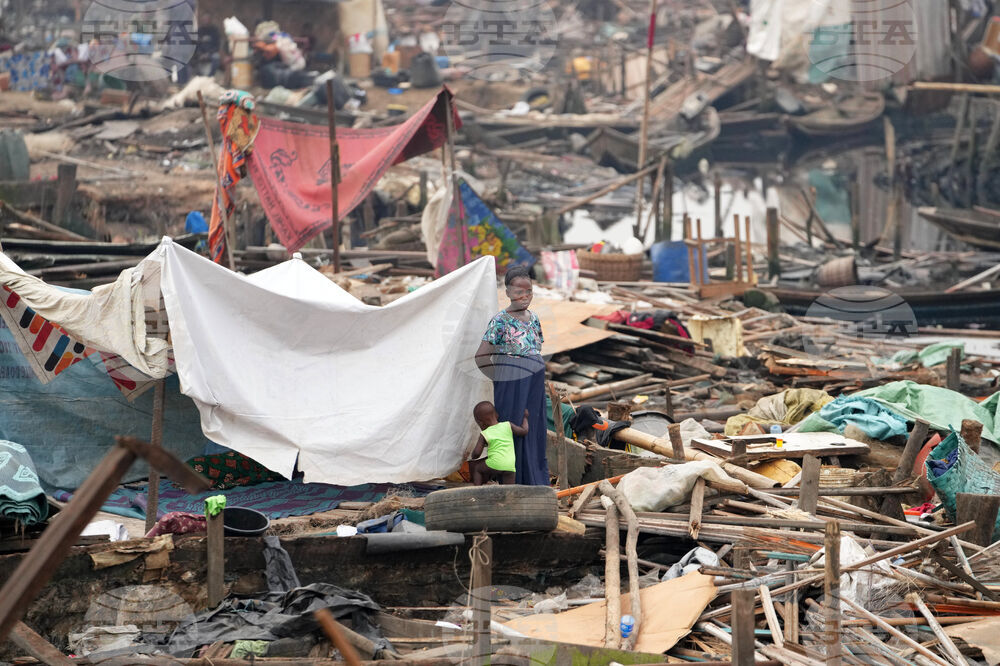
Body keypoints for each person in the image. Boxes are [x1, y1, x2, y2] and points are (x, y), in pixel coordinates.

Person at [475, 266, 549, 485]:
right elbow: (481, 357)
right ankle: (515, 483)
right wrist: (501, 378)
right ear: (508, 292)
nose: (524, 296)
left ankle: (535, 481)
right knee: (513, 428)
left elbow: (535, 350)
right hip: (512, 383)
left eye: (529, 291)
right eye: (518, 292)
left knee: (534, 428)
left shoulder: (534, 318)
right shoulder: (500, 321)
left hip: (534, 382)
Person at [468, 401, 528, 485]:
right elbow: (524, 431)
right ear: (496, 415)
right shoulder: (508, 425)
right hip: (509, 465)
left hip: (494, 464)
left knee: (478, 469)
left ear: (481, 423)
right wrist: (525, 418)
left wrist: (473, 456)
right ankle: (509, 498)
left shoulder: (485, 433)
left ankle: (477, 492)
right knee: (509, 489)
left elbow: (477, 453)